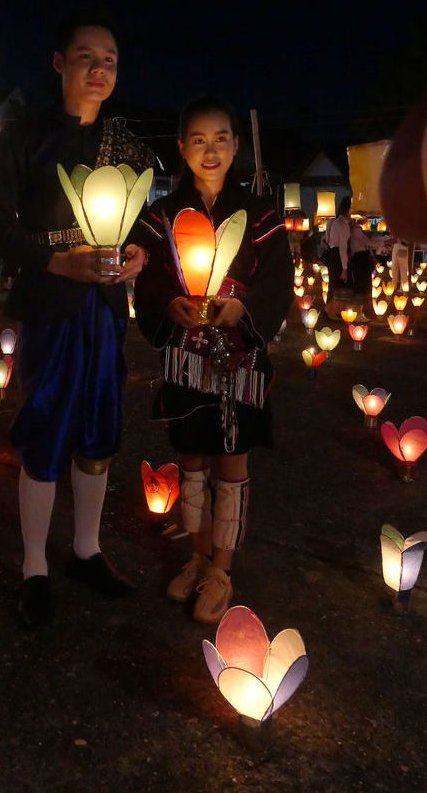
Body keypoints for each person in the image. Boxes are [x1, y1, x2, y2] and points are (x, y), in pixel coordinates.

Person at [0, 10, 154, 627]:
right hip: (52, 309)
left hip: (105, 311)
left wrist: (137, 253)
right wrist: (58, 263)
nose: (99, 68)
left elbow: (144, 222)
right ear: (59, 63)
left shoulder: (125, 145)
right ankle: (34, 566)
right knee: (46, 425)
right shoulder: (21, 137)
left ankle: (86, 550)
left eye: (109, 59)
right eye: (86, 56)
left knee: (100, 428)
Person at [134, 97, 293, 624]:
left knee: (231, 463)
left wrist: (243, 307)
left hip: (238, 363)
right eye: (198, 139)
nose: (211, 149)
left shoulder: (260, 214)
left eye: (221, 138)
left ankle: (221, 569)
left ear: (236, 146)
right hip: (186, 362)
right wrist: (167, 304)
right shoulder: (161, 216)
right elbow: (151, 277)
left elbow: (277, 280)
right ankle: (197, 558)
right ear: (181, 147)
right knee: (193, 461)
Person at [324, 196, 351, 320]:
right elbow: (342, 247)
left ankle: (329, 310)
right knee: (339, 285)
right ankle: (332, 312)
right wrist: (344, 268)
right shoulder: (342, 225)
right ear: (348, 210)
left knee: (334, 283)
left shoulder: (333, 222)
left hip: (333, 255)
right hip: (339, 256)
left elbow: (327, 240)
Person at [348, 218, 376, 321]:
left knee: (362, 286)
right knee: (361, 286)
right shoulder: (355, 230)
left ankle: (359, 312)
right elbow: (367, 242)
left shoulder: (356, 229)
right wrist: (386, 242)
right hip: (360, 260)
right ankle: (358, 313)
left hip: (361, 259)